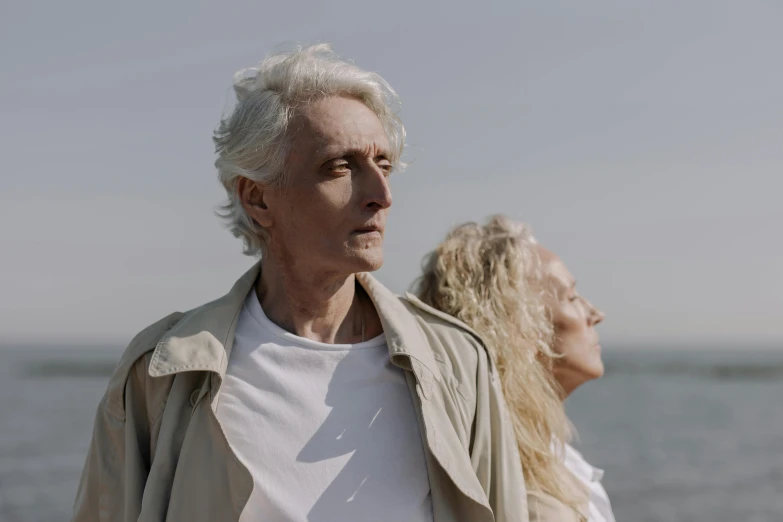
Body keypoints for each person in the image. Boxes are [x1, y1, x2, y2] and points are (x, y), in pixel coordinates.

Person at [71, 46, 528, 522]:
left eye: (384, 165)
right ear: (257, 198)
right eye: (340, 167)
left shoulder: (457, 362)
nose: (381, 195)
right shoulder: (162, 373)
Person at [415, 215, 616, 522]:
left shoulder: (549, 456)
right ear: (519, 327)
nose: (596, 313)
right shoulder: (529, 502)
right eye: (572, 297)